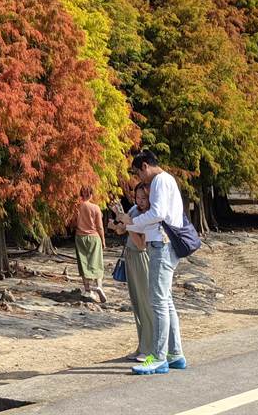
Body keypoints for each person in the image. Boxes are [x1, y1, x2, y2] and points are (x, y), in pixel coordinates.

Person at [116, 149, 186, 375]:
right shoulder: (166, 180)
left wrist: (130, 223)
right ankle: (175, 354)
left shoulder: (159, 181)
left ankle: (158, 357)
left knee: (157, 301)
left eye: (138, 173)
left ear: (145, 166)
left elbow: (157, 213)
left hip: (161, 245)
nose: (139, 179)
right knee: (166, 301)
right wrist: (132, 224)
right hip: (165, 244)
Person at [109, 183, 156, 362]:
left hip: (141, 257)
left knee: (145, 302)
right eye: (138, 198)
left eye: (144, 198)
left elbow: (141, 243)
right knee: (136, 303)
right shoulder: (135, 210)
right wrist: (118, 221)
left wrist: (127, 225)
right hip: (130, 256)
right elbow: (123, 229)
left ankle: (150, 347)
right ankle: (142, 345)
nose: (141, 201)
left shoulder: (148, 215)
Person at [72, 187, 107, 303]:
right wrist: (103, 241)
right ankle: (99, 286)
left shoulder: (77, 207)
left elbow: (73, 222)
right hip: (94, 237)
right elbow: (100, 227)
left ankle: (88, 290)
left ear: (81, 195)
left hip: (80, 237)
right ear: (91, 195)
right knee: (97, 262)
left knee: (83, 262)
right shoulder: (95, 208)